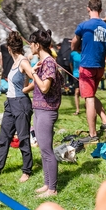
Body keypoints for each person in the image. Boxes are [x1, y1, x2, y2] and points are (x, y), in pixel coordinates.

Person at [0, 32, 34, 183]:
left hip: (21, 103)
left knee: (23, 138)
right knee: (4, 137)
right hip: (10, 103)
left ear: (9, 48)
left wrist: (25, 90)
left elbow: (35, 79)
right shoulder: (15, 61)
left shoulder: (23, 61)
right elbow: (25, 79)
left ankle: (27, 170)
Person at [71, 0, 106, 143]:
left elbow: (73, 45)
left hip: (87, 66)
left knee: (88, 99)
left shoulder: (83, 26)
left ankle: (93, 135)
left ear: (88, 8)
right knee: (92, 95)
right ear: (100, 9)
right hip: (100, 67)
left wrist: (79, 47)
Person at [30, 29, 63, 197]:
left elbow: (44, 87)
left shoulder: (49, 62)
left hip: (47, 110)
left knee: (47, 150)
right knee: (43, 150)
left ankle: (52, 189)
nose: (29, 47)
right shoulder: (43, 62)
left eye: (31, 44)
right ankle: (47, 183)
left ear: (37, 45)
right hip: (39, 109)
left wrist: (33, 72)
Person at [70, 48, 81, 115]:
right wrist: (73, 73)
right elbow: (70, 64)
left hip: (84, 74)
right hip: (76, 75)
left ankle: (87, 106)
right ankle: (77, 110)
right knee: (77, 92)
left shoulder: (84, 52)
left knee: (85, 93)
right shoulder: (73, 54)